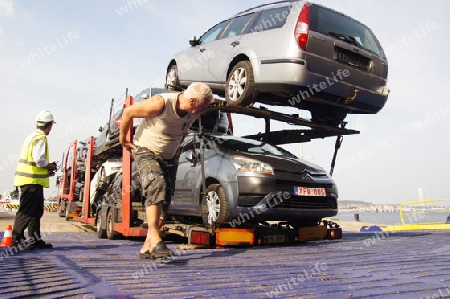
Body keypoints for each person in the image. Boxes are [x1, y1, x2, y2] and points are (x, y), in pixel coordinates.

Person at [119, 82, 213, 259]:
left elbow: (183, 131)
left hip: (169, 156)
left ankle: (147, 246)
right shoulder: (161, 103)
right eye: (204, 105)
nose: (206, 109)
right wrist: (123, 139)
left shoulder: (193, 112)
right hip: (146, 149)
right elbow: (128, 112)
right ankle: (155, 238)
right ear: (192, 101)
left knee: (166, 199)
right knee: (156, 184)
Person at [11, 110, 57, 251]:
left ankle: (34, 240)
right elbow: (38, 160)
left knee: (36, 211)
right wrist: (49, 166)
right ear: (49, 125)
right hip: (31, 181)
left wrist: (45, 170)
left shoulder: (32, 136)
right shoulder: (40, 138)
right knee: (26, 212)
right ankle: (16, 240)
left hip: (31, 180)